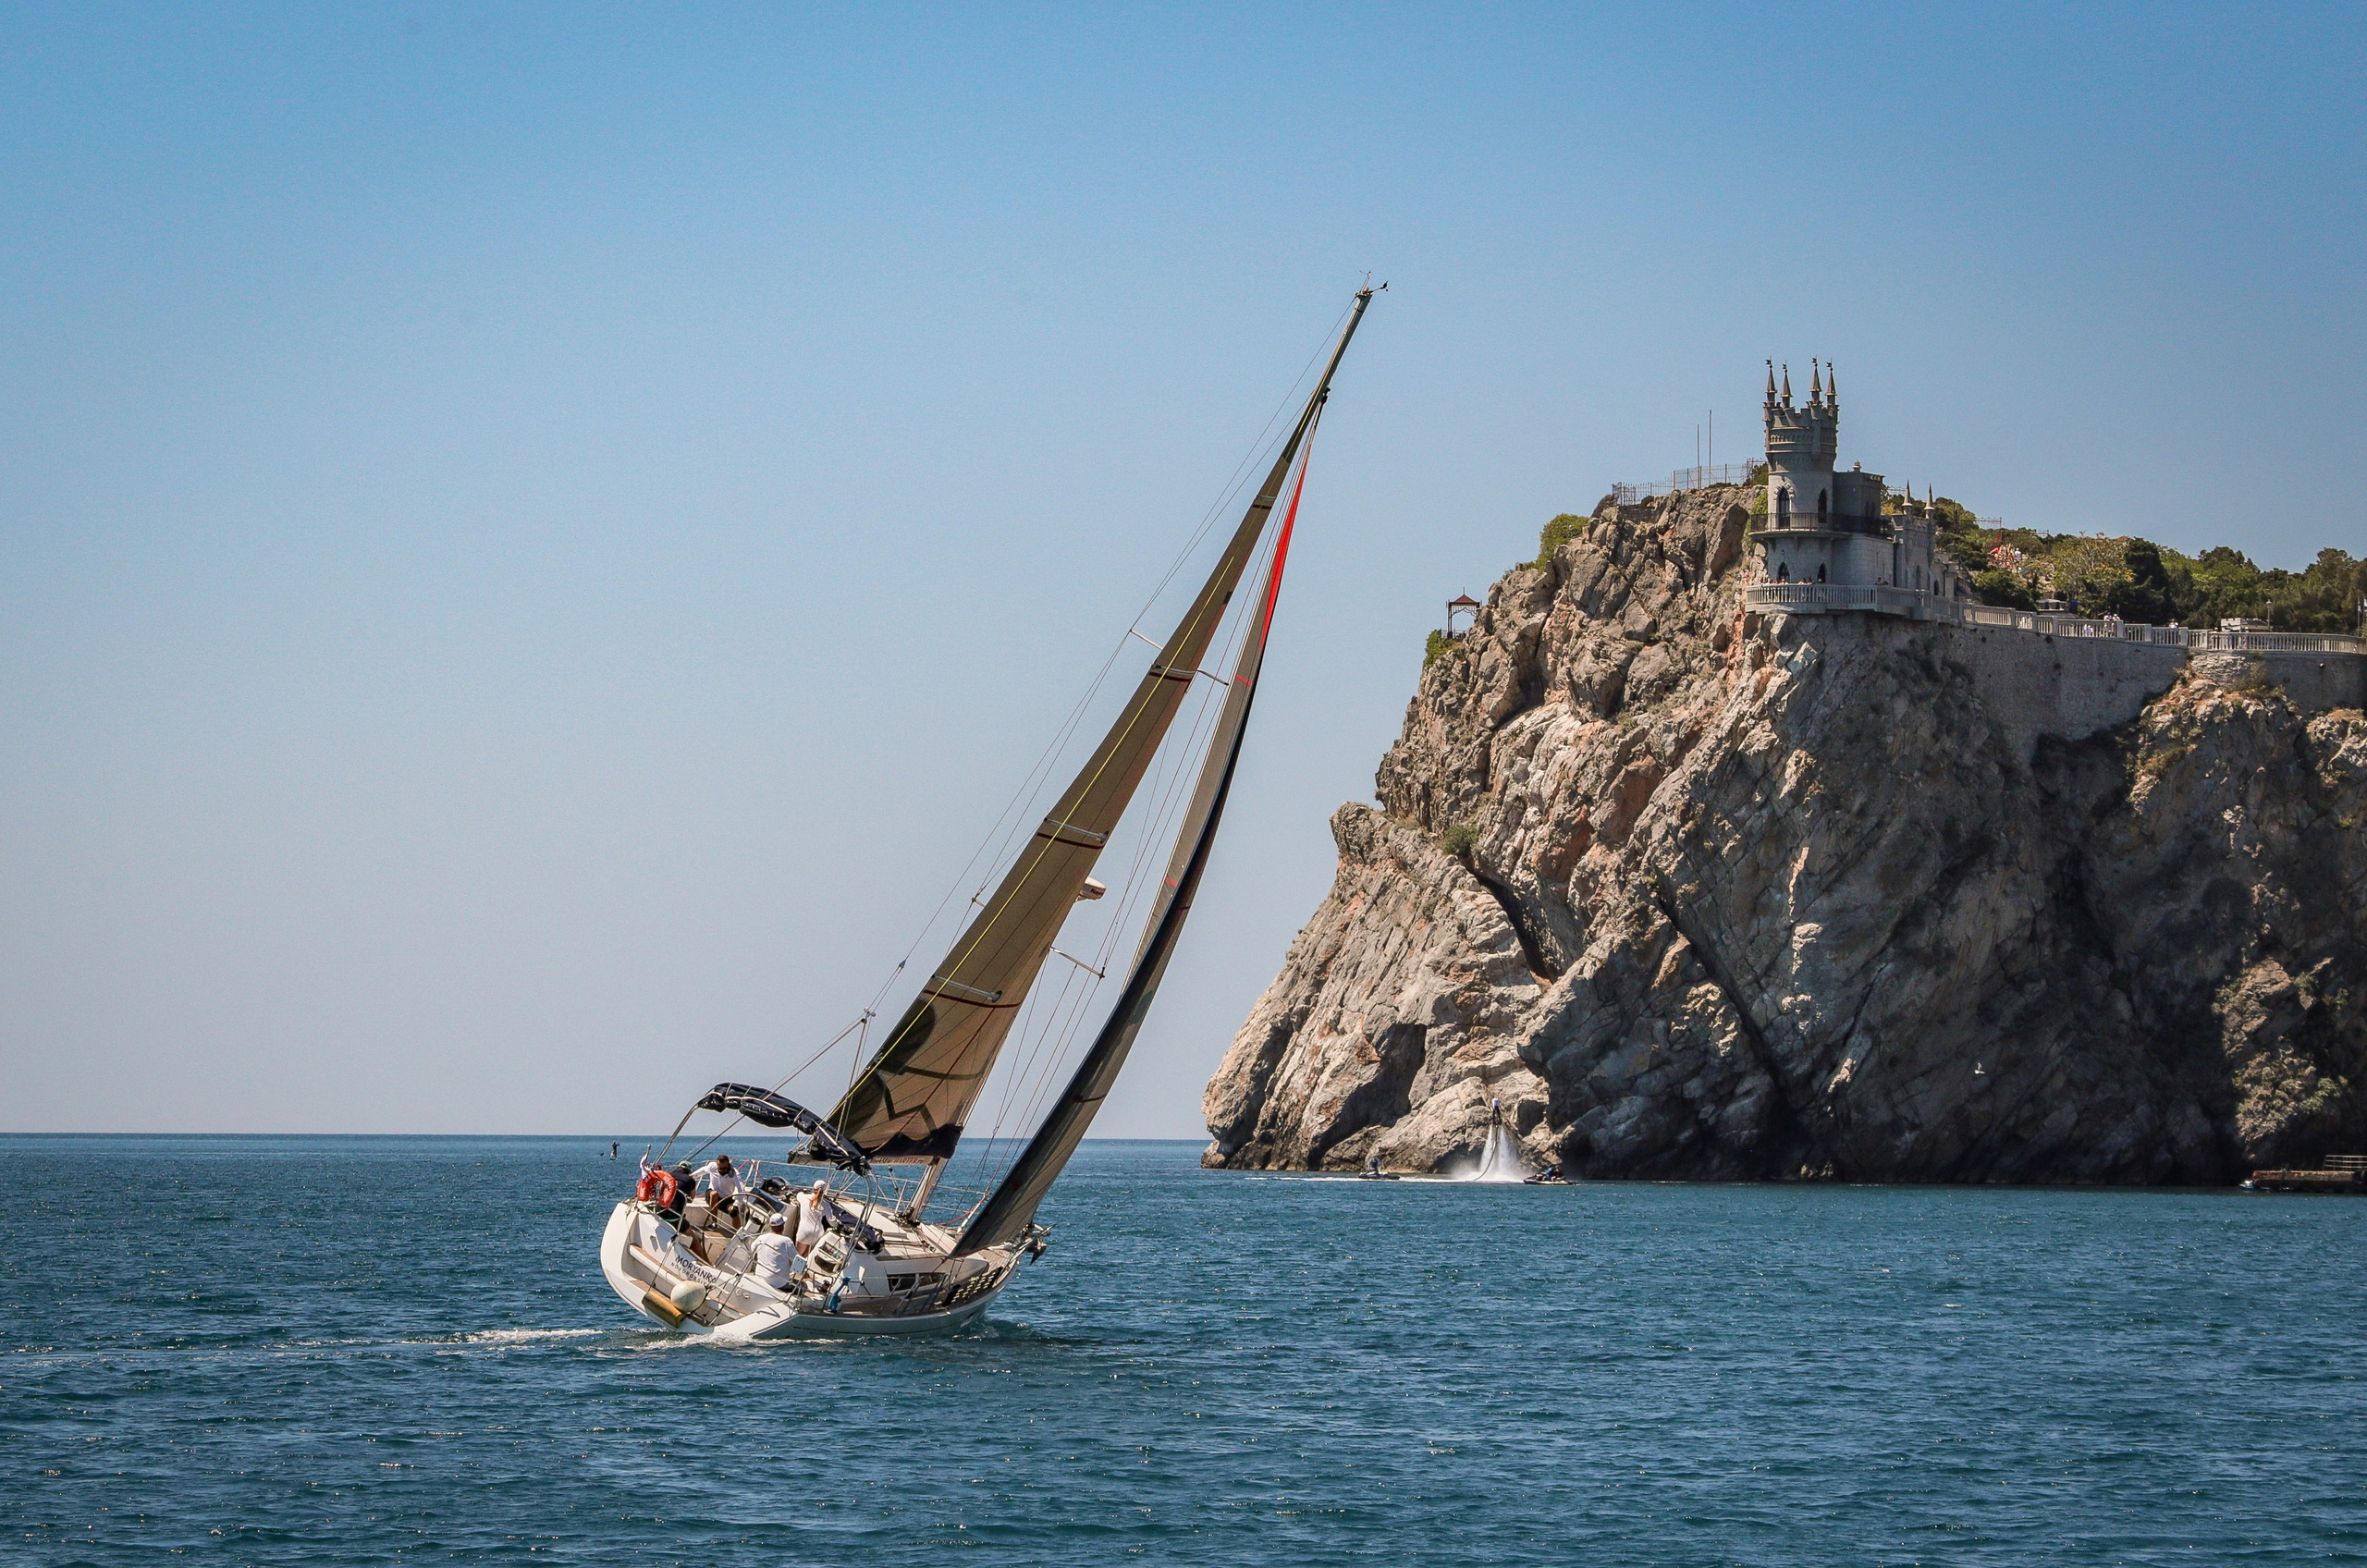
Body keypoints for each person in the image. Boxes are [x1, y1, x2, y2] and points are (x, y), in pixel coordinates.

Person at [750, 1211, 805, 1293]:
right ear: (783, 1226)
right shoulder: (786, 1241)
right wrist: (805, 1272)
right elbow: (798, 1261)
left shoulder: (761, 1237)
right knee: (803, 1286)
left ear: (770, 1226)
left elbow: (752, 1249)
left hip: (760, 1276)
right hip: (778, 1283)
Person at [695, 1154, 747, 1225]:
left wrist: (735, 1205)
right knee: (714, 1194)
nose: (722, 1170)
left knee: (734, 1212)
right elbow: (704, 1170)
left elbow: (742, 1191)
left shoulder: (735, 1173)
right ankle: (714, 1222)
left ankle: (737, 1234)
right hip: (711, 1194)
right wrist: (691, 1177)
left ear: (728, 1165)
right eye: (720, 1168)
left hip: (726, 1198)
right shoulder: (712, 1166)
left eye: (724, 1168)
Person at [793, 1179, 830, 1256]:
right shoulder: (826, 1205)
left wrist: (801, 1191)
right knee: (807, 1258)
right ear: (824, 1191)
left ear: (813, 1189)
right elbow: (832, 1221)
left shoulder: (804, 1198)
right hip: (817, 1233)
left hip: (804, 1232)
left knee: (798, 1256)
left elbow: (798, 1195)